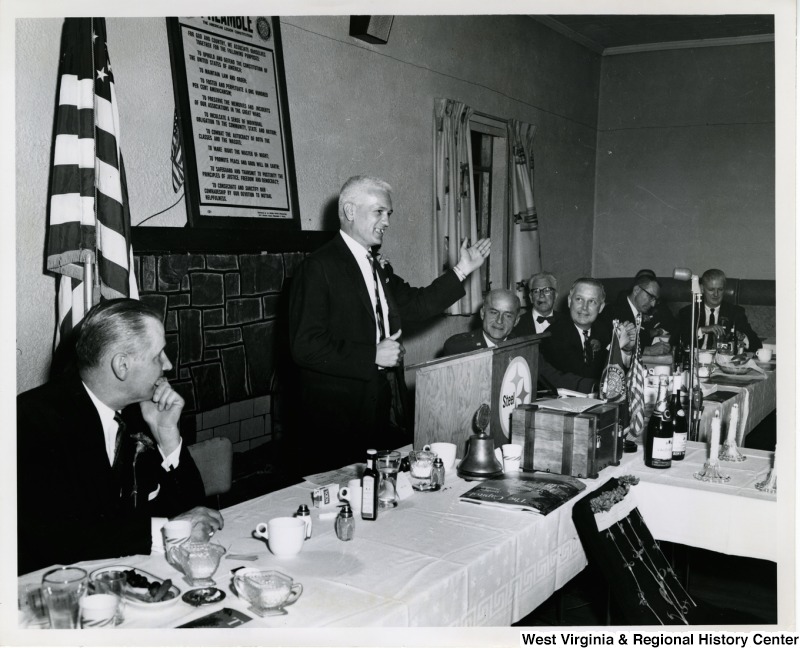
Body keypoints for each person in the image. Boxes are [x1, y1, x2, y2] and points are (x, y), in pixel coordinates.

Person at [289, 175, 490, 473]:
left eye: (389, 214)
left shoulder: (377, 266)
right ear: (350, 211)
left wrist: (462, 270)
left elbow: (417, 305)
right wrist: (371, 355)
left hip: (376, 412)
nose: (387, 221)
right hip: (334, 423)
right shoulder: (318, 267)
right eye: (379, 212)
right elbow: (304, 346)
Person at [17, 299, 223, 575]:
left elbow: (192, 510)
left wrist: (166, 436)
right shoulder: (32, 421)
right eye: (158, 355)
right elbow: (59, 539)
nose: (168, 365)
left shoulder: (139, 412)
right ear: (122, 366)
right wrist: (166, 529)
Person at [443, 289, 596, 394]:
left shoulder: (523, 347)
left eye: (508, 315)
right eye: (494, 312)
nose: (499, 321)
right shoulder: (458, 347)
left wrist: (595, 385)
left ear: (516, 321)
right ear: (482, 313)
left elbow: (553, 377)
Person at [542, 278, 635, 381]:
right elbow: (583, 377)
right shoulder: (554, 334)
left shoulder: (604, 330)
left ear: (601, 308)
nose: (584, 307)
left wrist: (625, 350)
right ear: (569, 301)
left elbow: (619, 379)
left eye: (592, 301)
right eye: (579, 299)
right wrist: (615, 347)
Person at [678, 268, 762, 351]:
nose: (716, 294)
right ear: (702, 289)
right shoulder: (688, 312)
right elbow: (676, 341)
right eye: (711, 289)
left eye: (720, 289)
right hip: (696, 360)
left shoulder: (735, 312)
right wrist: (702, 330)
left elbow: (757, 345)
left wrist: (742, 337)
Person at [603, 274, 671, 356]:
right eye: (651, 297)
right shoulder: (612, 311)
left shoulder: (639, 314)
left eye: (655, 300)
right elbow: (608, 348)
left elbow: (642, 341)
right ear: (636, 290)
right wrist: (648, 350)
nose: (653, 304)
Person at [511, 271, 562, 337]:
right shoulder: (516, 325)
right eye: (536, 291)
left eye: (547, 290)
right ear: (531, 297)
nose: (541, 295)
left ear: (555, 296)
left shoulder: (568, 323)